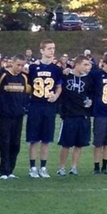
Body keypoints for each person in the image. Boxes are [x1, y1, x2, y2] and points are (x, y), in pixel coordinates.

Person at [26, 40, 63, 178]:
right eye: (49, 48)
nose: (52, 51)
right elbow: (27, 85)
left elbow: (59, 86)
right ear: (41, 50)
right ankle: (32, 167)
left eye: (53, 48)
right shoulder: (32, 68)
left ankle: (43, 167)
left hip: (49, 106)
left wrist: (56, 95)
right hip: (35, 105)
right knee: (33, 139)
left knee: (46, 139)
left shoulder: (56, 69)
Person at [56, 56, 94, 176]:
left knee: (79, 144)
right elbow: (57, 82)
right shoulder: (66, 76)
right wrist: (64, 71)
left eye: (88, 65)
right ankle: (61, 167)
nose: (87, 67)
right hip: (69, 115)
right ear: (76, 64)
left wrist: (90, 101)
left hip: (83, 115)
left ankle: (74, 167)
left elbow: (91, 94)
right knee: (66, 144)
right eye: (85, 64)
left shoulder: (89, 79)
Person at [0, 56, 29, 179]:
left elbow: (26, 94)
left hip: (18, 117)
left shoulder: (24, 77)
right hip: (4, 117)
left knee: (15, 144)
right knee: (5, 143)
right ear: (12, 63)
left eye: (22, 65)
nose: (20, 68)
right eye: (18, 65)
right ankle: (3, 171)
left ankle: (11, 170)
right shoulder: (3, 76)